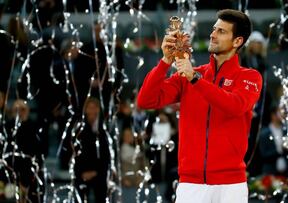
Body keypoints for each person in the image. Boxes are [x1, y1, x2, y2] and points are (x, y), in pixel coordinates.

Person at [137, 9, 262, 203]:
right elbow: (146, 100)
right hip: (190, 184)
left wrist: (195, 79)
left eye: (221, 31)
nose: (212, 34)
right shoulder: (189, 75)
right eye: (214, 29)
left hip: (231, 185)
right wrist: (165, 61)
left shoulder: (249, 77)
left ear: (238, 41)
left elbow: (235, 106)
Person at [74, 97, 110, 203]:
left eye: (95, 108)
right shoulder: (79, 130)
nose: (92, 111)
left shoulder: (103, 130)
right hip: (82, 173)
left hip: (100, 173)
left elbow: (105, 154)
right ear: (85, 110)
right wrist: (82, 172)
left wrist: (96, 172)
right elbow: (77, 153)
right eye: (89, 108)